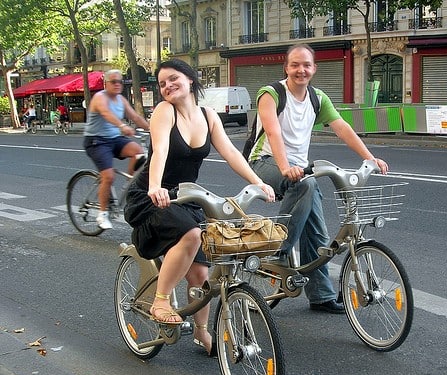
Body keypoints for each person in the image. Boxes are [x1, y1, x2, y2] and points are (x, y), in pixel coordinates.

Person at [124, 59, 275, 357]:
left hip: (187, 197)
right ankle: (161, 300)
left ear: (191, 79)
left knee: (201, 274)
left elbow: (231, 152)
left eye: (173, 78)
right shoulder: (164, 112)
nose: (167, 86)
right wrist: (155, 186)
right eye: (162, 83)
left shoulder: (209, 116)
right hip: (151, 196)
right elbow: (160, 151)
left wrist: (258, 182)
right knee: (192, 235)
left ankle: (201, 331)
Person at [248, 43, 389, 314]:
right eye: (295, 65)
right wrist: (286, 166)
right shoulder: (271, 94)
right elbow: (273, 132)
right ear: (286, 68)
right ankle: (278, 250)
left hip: (300, 170)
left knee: (317, 233)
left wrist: (369, 157)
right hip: (265, 163)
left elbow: (342, 128)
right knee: (306, 184)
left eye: (306, 65)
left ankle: (322, 295)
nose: (301, 70)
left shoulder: (317, 98)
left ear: (314, 68)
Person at [83, 69, 150, 230]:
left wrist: (153, 129)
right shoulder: (99, 98)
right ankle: (102, 213)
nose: (118, 84)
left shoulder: (121, 99)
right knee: (109, 176)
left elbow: (135, 117)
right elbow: (106, 113)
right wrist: (121, 125)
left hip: (114, 139)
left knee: (139, 152)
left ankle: (129, 187)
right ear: (106, 84)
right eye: (113, 81)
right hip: (96, 141)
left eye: (120, 81)